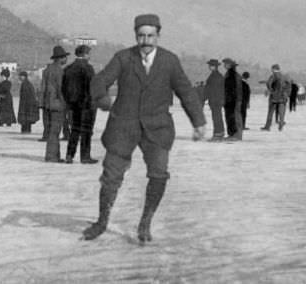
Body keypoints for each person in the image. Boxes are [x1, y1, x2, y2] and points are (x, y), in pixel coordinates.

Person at [83, 14, 206, 243]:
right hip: (123, 126)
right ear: (136, 36)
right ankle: (102, 222)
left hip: (157, 129)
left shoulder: (169, 61)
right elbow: (99, 80)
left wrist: (198, 121)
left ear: (158, 36)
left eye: (151, 35)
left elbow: (186, 91)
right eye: (141, 35)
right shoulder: (123, 58)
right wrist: (102, 99)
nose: (146, 40)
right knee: (111, 176)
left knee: (159, 174)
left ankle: (145, 222)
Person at [62, 44, 98, 163]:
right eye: (89, 54)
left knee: (75, 130)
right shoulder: (88, 68)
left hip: (73, 105)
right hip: (86, 105)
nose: (89, 56)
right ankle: (85, 156)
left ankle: (69, 155)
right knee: (86, 131)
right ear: (85, 54)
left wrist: (68, 102)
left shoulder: (68, 69)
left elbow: (64, 88)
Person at [41, 46, 68, 162]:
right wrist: (66, 103)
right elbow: (61, 89)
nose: (66, 59)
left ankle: (54, 155)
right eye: (65, 57)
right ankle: (52, 156)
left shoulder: (47, 70)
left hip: (47, 104)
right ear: (61, 58)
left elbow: (42, 88)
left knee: (51, 130)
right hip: (57, 105)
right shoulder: (60, 71)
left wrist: (42, 103)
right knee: (55, 131)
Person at [262, 64, 290, 131]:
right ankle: (281, 126)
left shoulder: (273, 76)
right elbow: (289, 85)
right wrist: (286, 94)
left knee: (270, 112)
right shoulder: (284, 76)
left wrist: (271, 90)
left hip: (274, 97)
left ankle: (267, 126)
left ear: (273, 69)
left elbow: (269, 83)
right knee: (282, 113)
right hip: (282, 97)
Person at [222, 58, 243, 141]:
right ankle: (232, 134)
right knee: (230, 117)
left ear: (230, 65)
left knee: (234, 117)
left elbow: (233, 89)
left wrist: (230, 99)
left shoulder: (232, 75)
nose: (224, 65)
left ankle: (236, 135)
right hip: (231, 99)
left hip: (232, 99)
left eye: (226, 64)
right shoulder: (229, 74)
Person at [203, 59, 225, 141]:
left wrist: (205, 97)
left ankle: (218, 134)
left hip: (215, 100)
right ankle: (220, 133)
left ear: (215, 66)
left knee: (216, 117)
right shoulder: (216, 75)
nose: (209, 67)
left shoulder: (216, 76)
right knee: (217, 116)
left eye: (211, 65)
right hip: (216, 99)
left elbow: (212, 89)